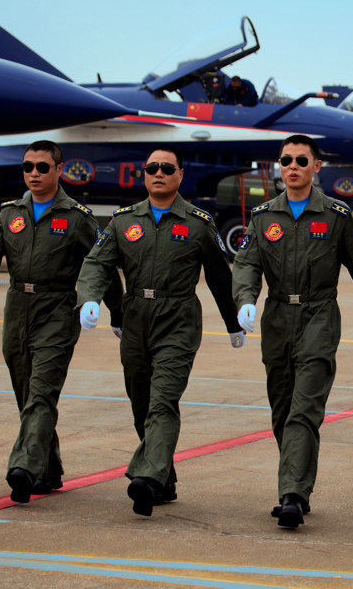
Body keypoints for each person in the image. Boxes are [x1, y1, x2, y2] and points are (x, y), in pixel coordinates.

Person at [76, 146, 245, 516]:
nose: (159, 173)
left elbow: (220, 276)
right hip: (136, 317)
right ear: (144, 173)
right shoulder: (123, 221)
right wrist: (89, 298)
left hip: (178, 318)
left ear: (180, 175)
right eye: (152, 167)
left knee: (163, 400)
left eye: (167, 168)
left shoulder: (198, 222)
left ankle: (147, 478)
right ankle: (164, 477)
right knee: (141, 404)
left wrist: (233, 322)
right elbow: (97, 264)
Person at [232, 134, 353, 528]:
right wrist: (245, 299)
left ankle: (292, 494)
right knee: (282, 409)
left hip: (319, 316)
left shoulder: (336, 215)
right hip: (277, 317)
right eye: (286, 161)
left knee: (304, 408)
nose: (292, 167)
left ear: (317, 166)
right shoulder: (263, 216)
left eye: (300, 160)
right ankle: (296, 482)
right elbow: (246, 264)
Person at [0, 140, 123, 502]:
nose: (34, 174)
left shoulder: (77, 217)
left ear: (59, 170)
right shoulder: (11, 213)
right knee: (27, 393)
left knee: (41, 391)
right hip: (17, 308)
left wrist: (114, 309)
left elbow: (101, 264)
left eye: (42, 167)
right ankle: (48, 470)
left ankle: (24, 467)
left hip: (58, 309)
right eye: (28, 167)